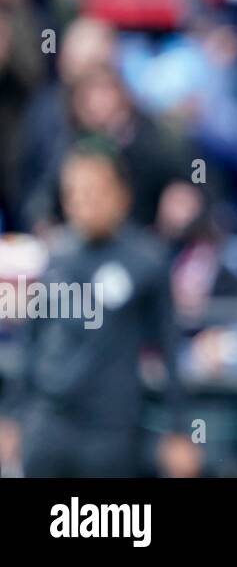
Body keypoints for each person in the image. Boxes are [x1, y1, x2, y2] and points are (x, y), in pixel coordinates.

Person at [0, 142, 201, 477]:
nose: (84, 203)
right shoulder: (54, 258)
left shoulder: (146, 261)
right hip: (48, 425)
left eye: (95, 191)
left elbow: (169, 350)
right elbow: (31, 344)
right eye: (74, 193)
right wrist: (11, 416)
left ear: (122, 195)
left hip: (110, 431)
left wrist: (179, 431)